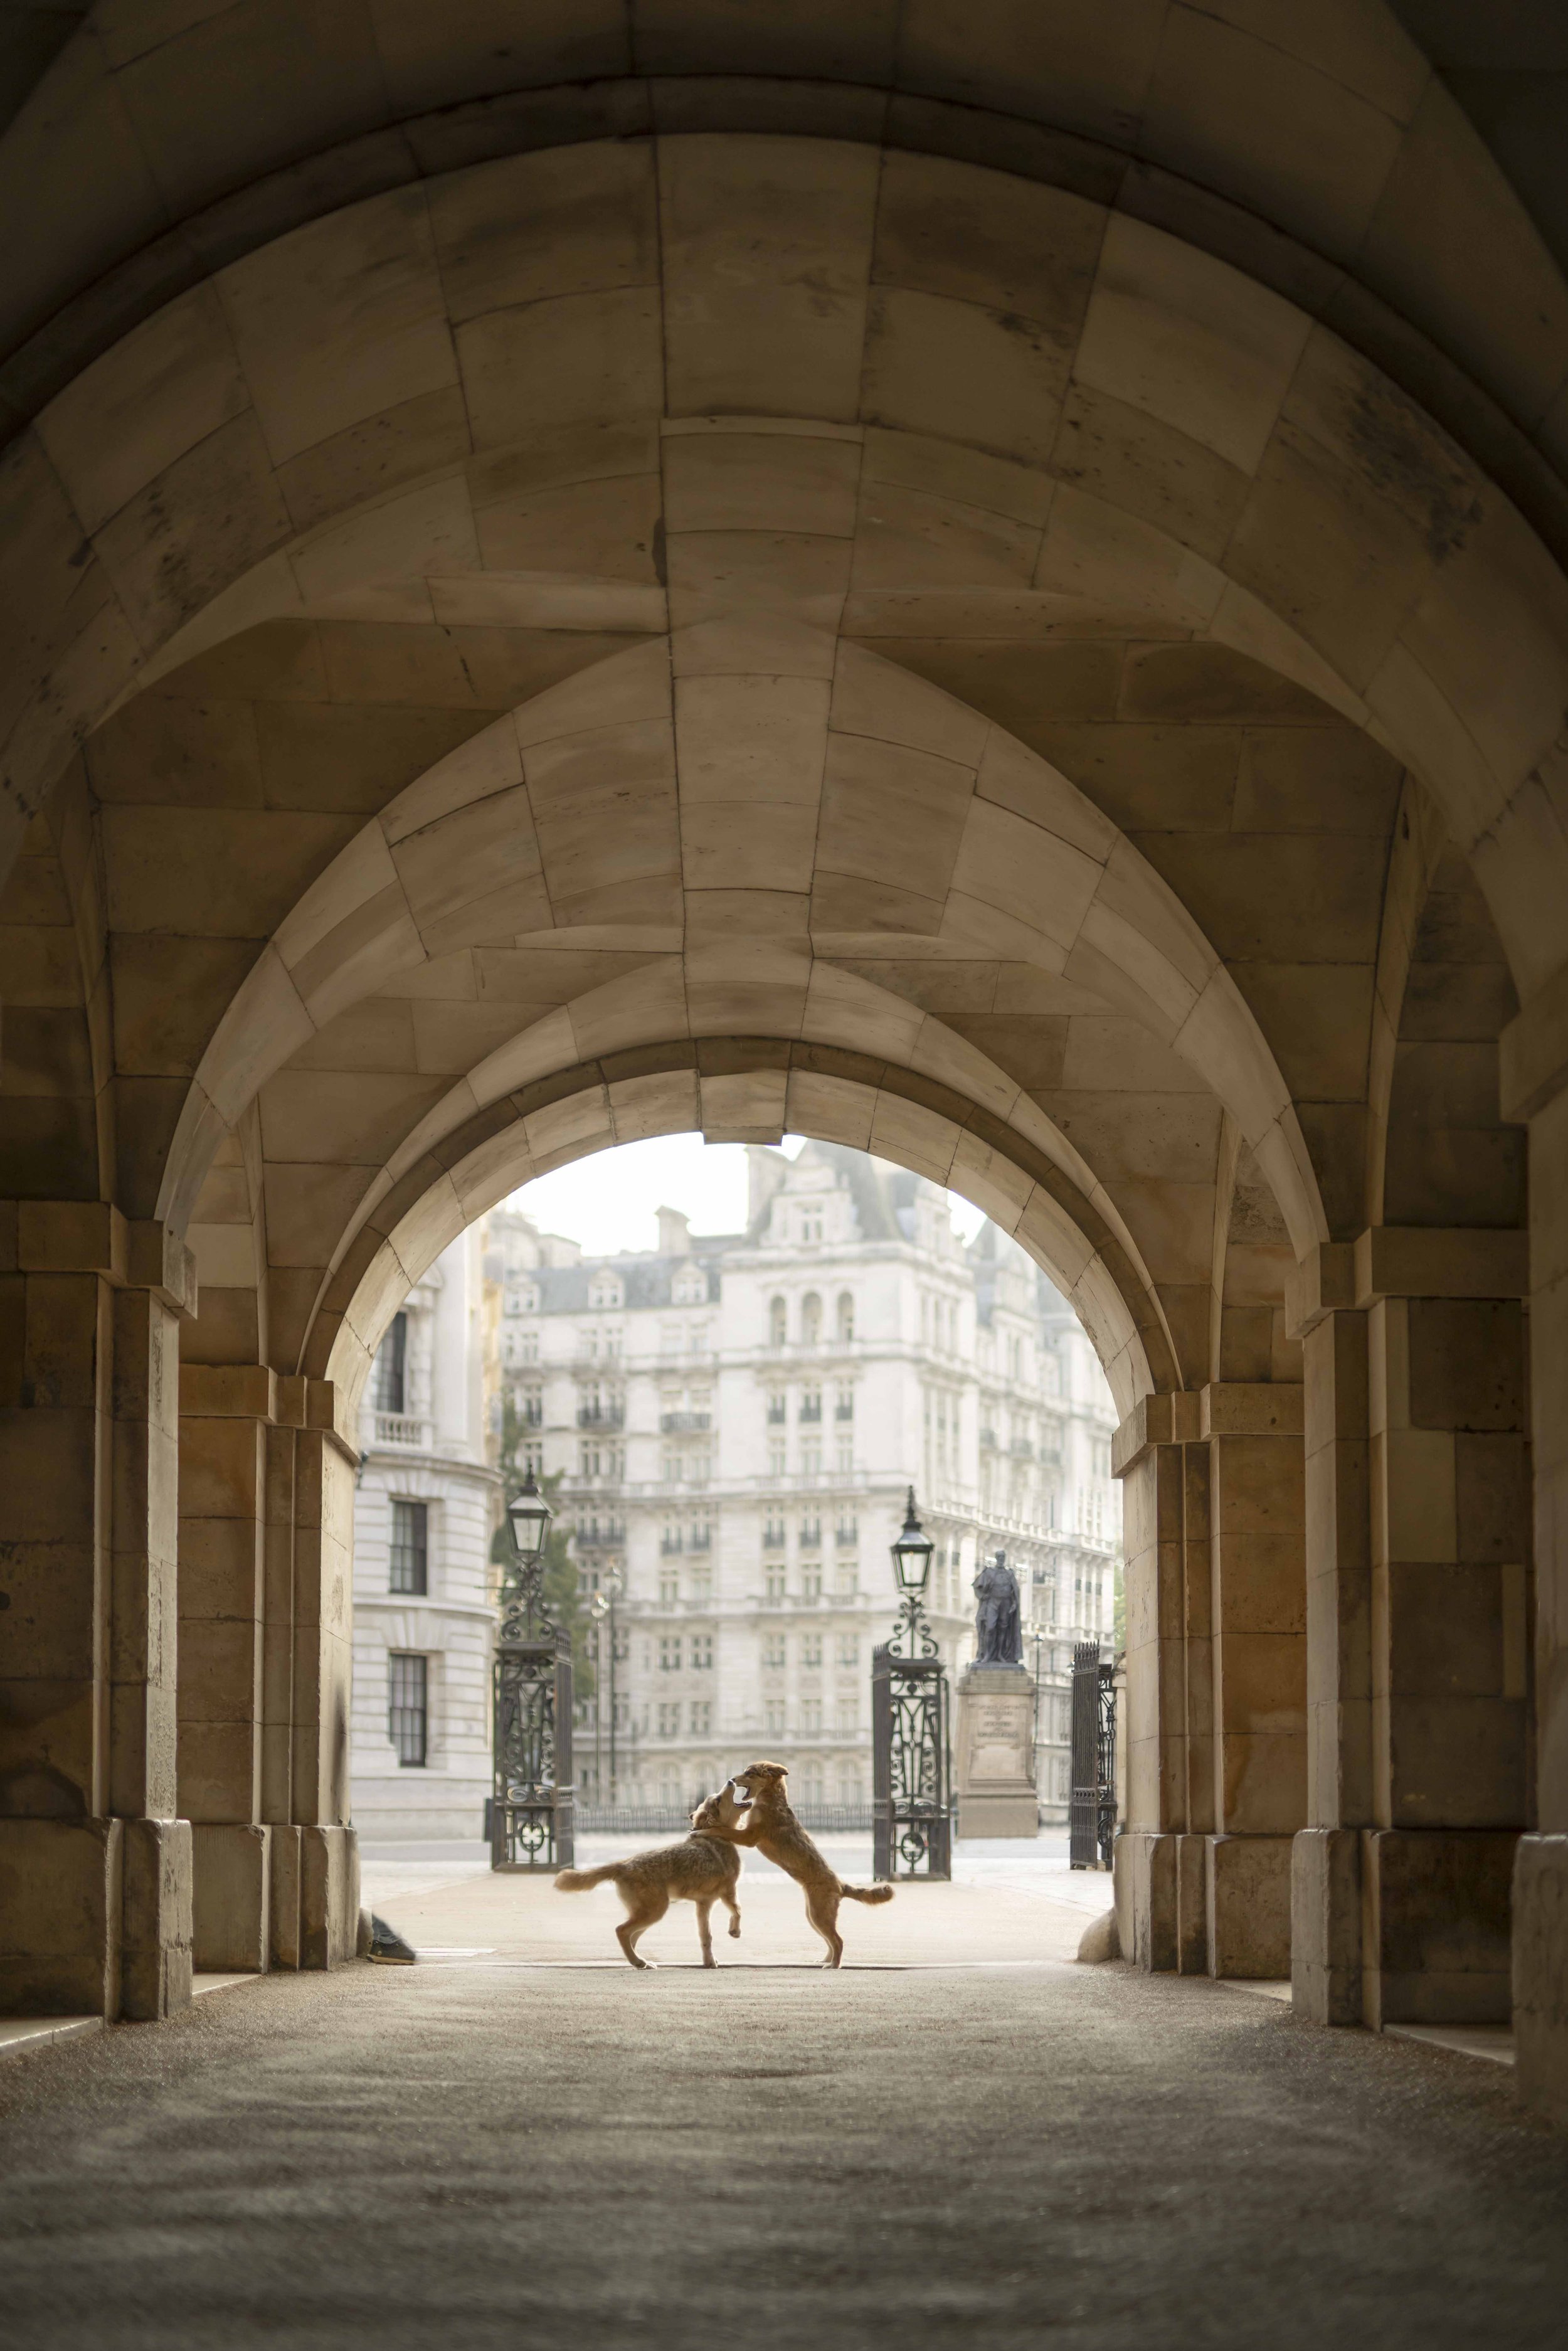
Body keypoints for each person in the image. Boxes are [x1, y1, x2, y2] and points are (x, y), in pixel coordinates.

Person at [973, 1550, 1022, 1665]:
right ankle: (987, 1654)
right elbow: (976, 1586)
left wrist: (1015, 1603)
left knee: (1003, 1628)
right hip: (992, 1602)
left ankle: (1000, 1654)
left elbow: (1015, 1590)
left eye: (1003, 1557)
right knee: (990, 1627)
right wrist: (982, 1596)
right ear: (996, 1558)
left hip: (1006, 1603)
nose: (1001, 1559)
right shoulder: (989, 1572)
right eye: (999, 1557)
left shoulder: (1009, 1574)